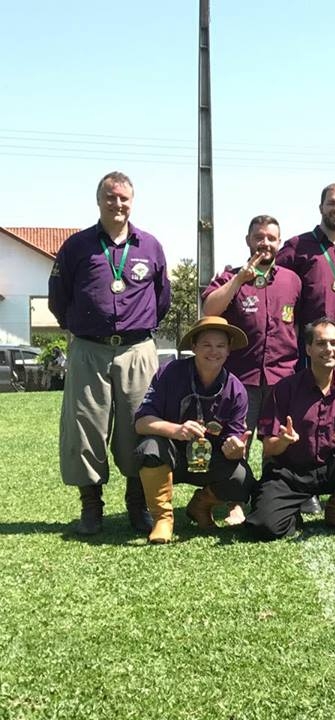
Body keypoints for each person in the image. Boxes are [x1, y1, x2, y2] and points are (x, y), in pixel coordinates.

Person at [48, 171, 171, 535]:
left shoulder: (150, 246)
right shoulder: (77, 246)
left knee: (139, 424)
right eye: (110, 197)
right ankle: (91, 507)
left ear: (132, 202)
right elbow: (59, 298)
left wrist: (136, 326)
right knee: (85, 427)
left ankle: (137, 505)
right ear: (99, 200)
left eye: (124, 198)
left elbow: (161, 299)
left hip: (137, 349)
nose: (118, 204)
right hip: (89, 349)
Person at [202, 215, 302, 522]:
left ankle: (275, 498)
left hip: (282, 376)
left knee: (277, 444)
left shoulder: (291, 280)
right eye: (259, 237)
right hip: (241, 379)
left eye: (271, 238)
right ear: (248, 240)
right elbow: (209, 310)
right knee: (237, 442)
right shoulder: (231, 276)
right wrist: (238, 281)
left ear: (279, 242)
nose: (265, 243)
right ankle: (236, 502)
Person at [244, 320, 335, 540]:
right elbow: (270, 448)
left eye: (334, 343)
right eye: (321, 343)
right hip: (291, 473)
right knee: (265, 527)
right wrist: (284, 440)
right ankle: (290, 511)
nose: (328, 349)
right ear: (308, 348)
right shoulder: (285, 388)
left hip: (334, 469)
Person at [133, 317, 255, 543]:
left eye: (220, 346)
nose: (214, 351)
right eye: (206, 344)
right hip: (171, 457)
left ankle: (201, 505)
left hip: (208, 460)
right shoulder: (169, 372)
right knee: (148, 447)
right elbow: (141, 422)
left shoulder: (237, 390)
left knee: (241, 478)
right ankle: (163, 519)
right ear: (194, 347)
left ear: (229, 350)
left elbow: (233, 442)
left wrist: (235, 449)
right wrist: (176, 430)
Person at [276, 183, 335, 374]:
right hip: (315, 344)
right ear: (321, 207)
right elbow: (270, 276)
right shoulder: (297, 246)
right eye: (332, 203)